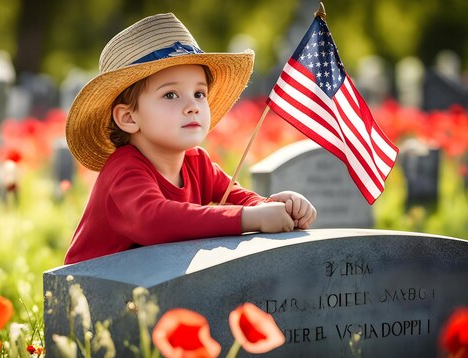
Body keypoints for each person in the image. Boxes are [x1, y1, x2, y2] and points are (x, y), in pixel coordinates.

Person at [64, 13, 316, 264]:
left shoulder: (197, 163)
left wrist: (275, 206)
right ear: (129, 118)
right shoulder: (124, 170)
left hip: (152, 285)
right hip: (93, 292)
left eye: (199, 93)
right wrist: (251, 218)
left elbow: (240, 198)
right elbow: (154, 221)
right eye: (171, 95)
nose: (193, 106)